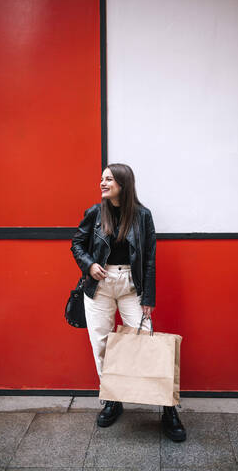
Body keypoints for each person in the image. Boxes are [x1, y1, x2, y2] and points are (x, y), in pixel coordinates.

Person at [70, 163, 186, 442]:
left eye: (108, 179)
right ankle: (113, 400)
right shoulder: (95, 213)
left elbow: (149, 258)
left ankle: (168, 408)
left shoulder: (143, 216)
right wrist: (88, 265)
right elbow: (76, 243)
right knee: (101, 344)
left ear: (123, 183)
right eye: (101, 178)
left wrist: (149, 297)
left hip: (131, 285)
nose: (102, 183)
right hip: (99, 285)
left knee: (146, 341)